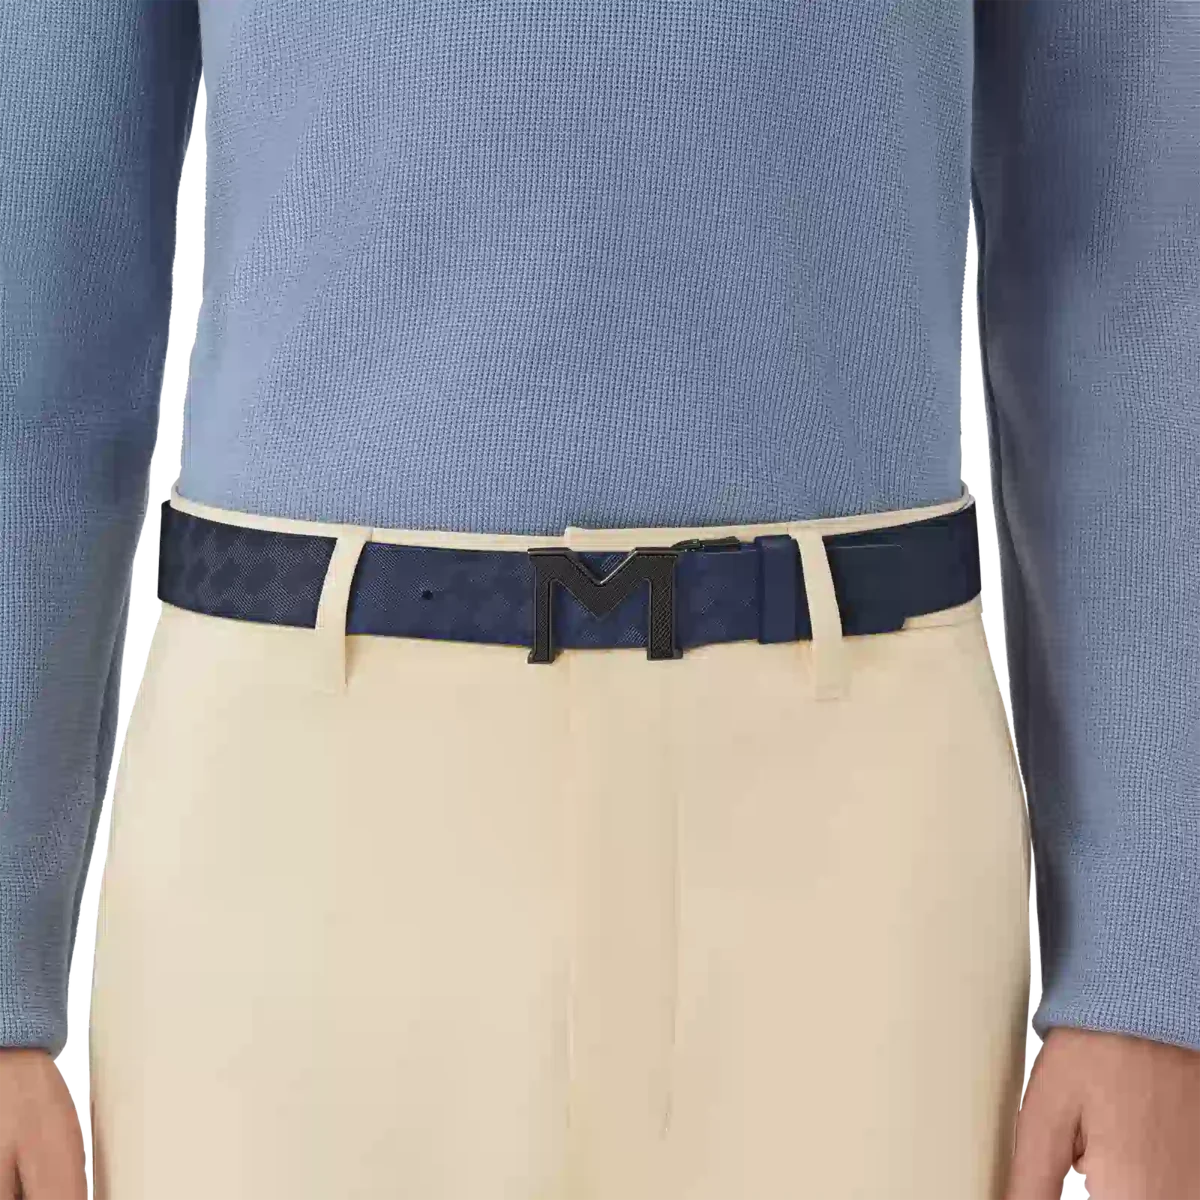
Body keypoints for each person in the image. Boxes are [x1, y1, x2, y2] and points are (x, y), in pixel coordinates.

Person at [1, 1, 1197, 1197]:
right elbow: (37, 291)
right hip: (293, 828)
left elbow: (1131, 233)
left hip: (855, 835)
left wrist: (1151, 966)